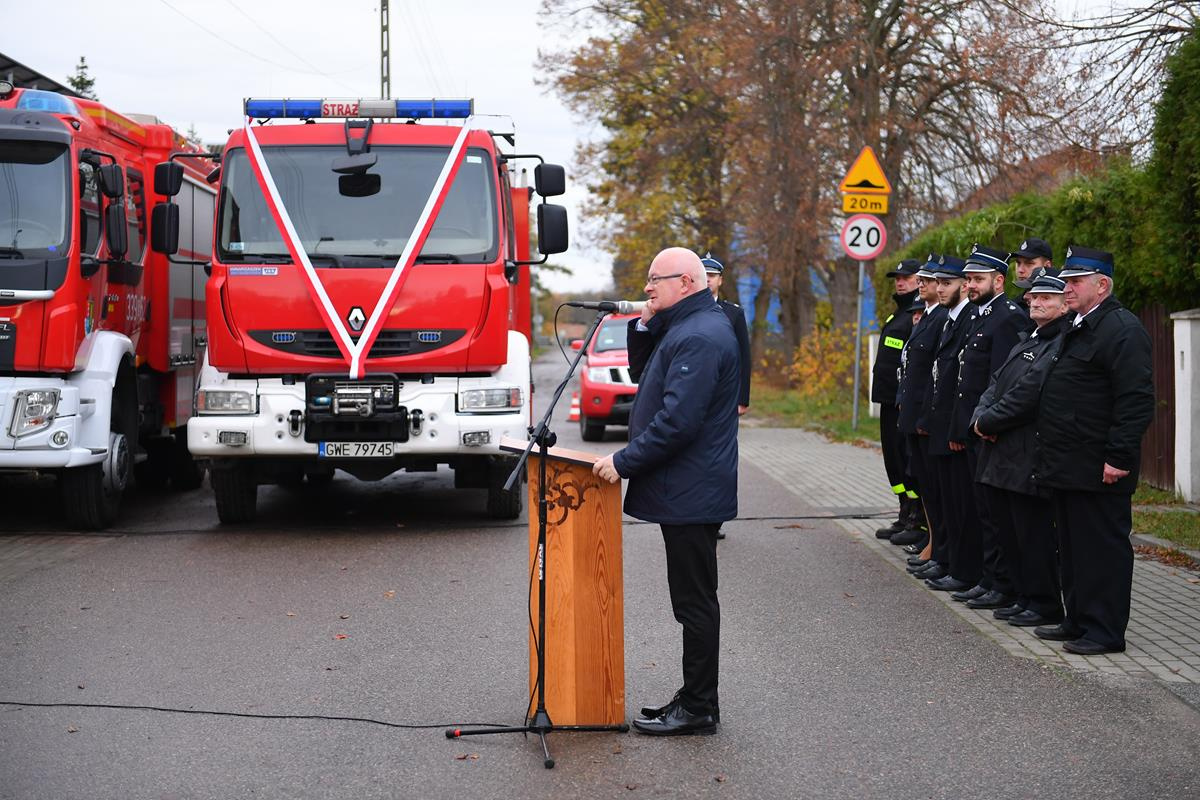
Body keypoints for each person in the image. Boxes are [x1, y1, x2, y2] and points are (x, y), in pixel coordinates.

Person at [593, 247, 740, 735]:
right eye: (648, 279)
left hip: (692, 489)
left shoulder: (699, 335)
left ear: (687, 282)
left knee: (694, 603)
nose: (647, 288)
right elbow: (645, 374)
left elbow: (678, 422)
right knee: (692, 600)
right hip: (688, 488)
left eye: (657, 280)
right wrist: (644, 321)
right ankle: (696, 698)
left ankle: (698, 707)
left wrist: (623, 461)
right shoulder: (686, 326)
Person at [1032, 245, 1154, 655]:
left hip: (1098, 466)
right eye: (1066, 280)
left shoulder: (1122, 330)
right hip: (1068, 463)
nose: (1066, 287)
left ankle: (1104, 631)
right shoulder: (1077, 324)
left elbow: (1135, 399)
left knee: (1102, 550)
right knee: (1072, 548)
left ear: (1102, 285)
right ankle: (1078, 620)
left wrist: (1118, 457)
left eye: (1075, 281)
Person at [971, 272, 1072, 628]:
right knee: (1009, 532)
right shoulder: (1028, 338)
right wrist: (980, 416)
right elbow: (996, 382)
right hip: (1001, 453)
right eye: (1034, 297)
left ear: (1064, 304)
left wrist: (988, 422)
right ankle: (1023, 595)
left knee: (1033, 535)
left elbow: (1029, 393)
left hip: (1028, 454)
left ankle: (1044, 603)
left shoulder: (1059, 342)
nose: (1036, 302)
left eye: (1046, 298)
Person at [948, 244, 1034, 610]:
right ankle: (989, 579)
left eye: (977, 279)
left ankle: (1002, 584)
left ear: (999, 281)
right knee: (983, 511)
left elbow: (1003, 381)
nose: (970, 285)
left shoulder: (1007, 317)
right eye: (968, 279)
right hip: (975, 427)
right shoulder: (979, 316)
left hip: (991, 431)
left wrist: (989, 422)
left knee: (994, 514)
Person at [918, 254, 978, 592]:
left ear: (963, 286)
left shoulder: (968, 318)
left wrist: (957, 427)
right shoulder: (949, 320)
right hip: (942, 425)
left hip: (958, 428)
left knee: (961, 504)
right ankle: (948, 558)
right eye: (938, 283)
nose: (940, 289)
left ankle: (960, 565)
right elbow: (938, 374)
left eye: (947, 283)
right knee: (946, 500)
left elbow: (964, 382)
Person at [897, 255, 949, 577]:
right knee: (924, 484)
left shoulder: (940, 317)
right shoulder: (927, 316)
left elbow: (934, 372)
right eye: (924, 280)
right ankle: (934, 543)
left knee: (934, 487)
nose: (924, 285)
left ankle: (938, 545)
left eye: (930, 281)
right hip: (914, 415)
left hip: (926, 417)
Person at [872, 259, 924, 545]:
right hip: (887, 400)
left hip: (902, 403)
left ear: (920, 280)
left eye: (907, 277)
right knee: (893, 460)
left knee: (906, 460)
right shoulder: (898, 314)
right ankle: (904, 512)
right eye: (897, 278)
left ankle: (917, 517)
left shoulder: (917, 313)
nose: (900, 282)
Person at [700, 253, 751, 540]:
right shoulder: (682, 310)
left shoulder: (733, 314)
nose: (707, 280)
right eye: (703, 275)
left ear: (720, 280)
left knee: (720, 460)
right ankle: (696, 514)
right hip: (695, 398)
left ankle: (716, 518)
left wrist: (743, 398)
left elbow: (744, 358)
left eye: (712, 276)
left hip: (725, 401)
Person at [1010, 238, 1054, 309]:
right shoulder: (1013, 306)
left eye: (1029, 263)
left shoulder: (1062, 303)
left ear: (1047, 266)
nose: (1020, 270)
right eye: (1018, 263)